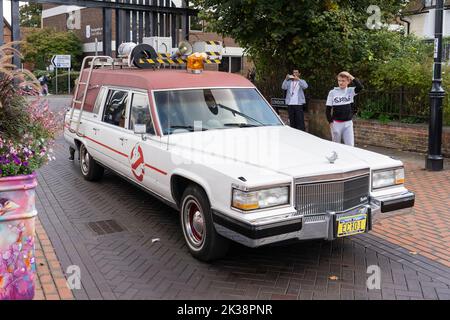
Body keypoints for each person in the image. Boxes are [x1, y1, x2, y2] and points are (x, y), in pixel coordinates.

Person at [326, 71, 364, 147]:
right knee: (336, 145)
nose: (340, 83)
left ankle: (349, 159)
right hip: (336, 123)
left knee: (350, 146)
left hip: (348, 123)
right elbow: (328, 109)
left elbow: (360, 87)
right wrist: (330, 122)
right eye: (339, 80)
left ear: (348, 81)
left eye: (343, 81)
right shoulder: (332, 92)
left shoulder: (350, 91)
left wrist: (349, 75)